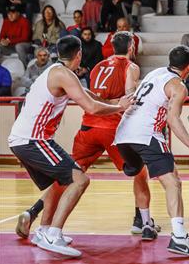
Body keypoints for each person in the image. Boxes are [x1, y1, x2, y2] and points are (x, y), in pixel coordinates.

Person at [15, 32, 160, 243]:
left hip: (88, 128)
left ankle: (34, 212)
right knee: (139, 170)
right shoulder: (131, 66)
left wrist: (110, 102)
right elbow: (128, 97)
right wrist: (128, 106)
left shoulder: (98, 67)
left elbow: (91, 95)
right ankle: (144, 223)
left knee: (68, 176)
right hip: (112, 129)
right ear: (131, 48)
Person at [115, 45, 189, 257]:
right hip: (145, 133)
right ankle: (179, 238)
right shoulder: (178, 86)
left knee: (141, 175)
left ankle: (145, 221)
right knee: (173, 183)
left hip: (122, 135)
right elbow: (172, 119)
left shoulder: (155, 73)